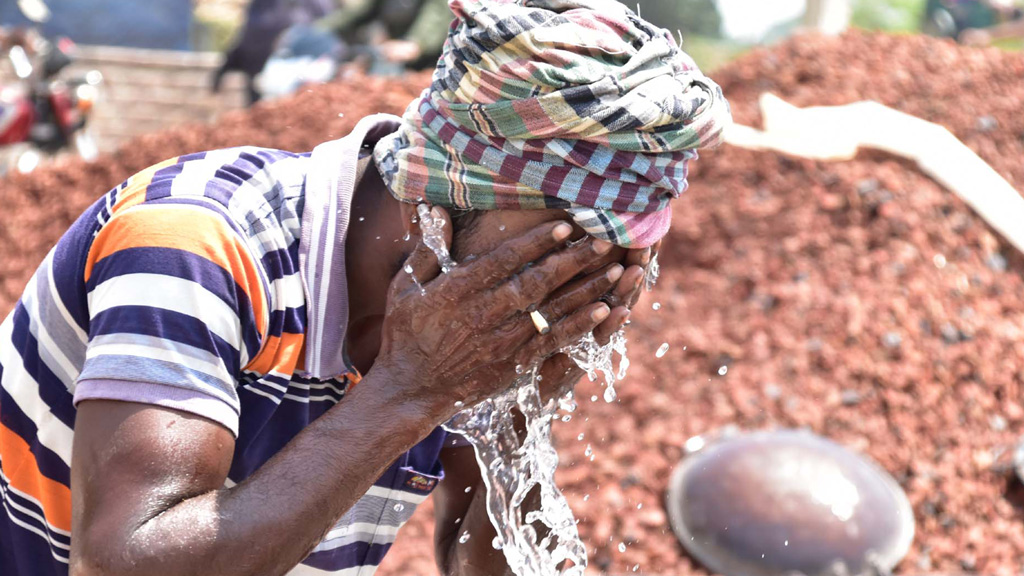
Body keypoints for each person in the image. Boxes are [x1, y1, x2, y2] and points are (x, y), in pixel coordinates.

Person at [0, 1, 730, 575]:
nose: (588, 288)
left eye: (625, 268)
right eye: (569, 251)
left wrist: (524, 406)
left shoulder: (477, 319)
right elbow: (123, 563)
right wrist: (408, 393)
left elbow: (479, 558)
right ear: (440, 199)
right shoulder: (199, 241)